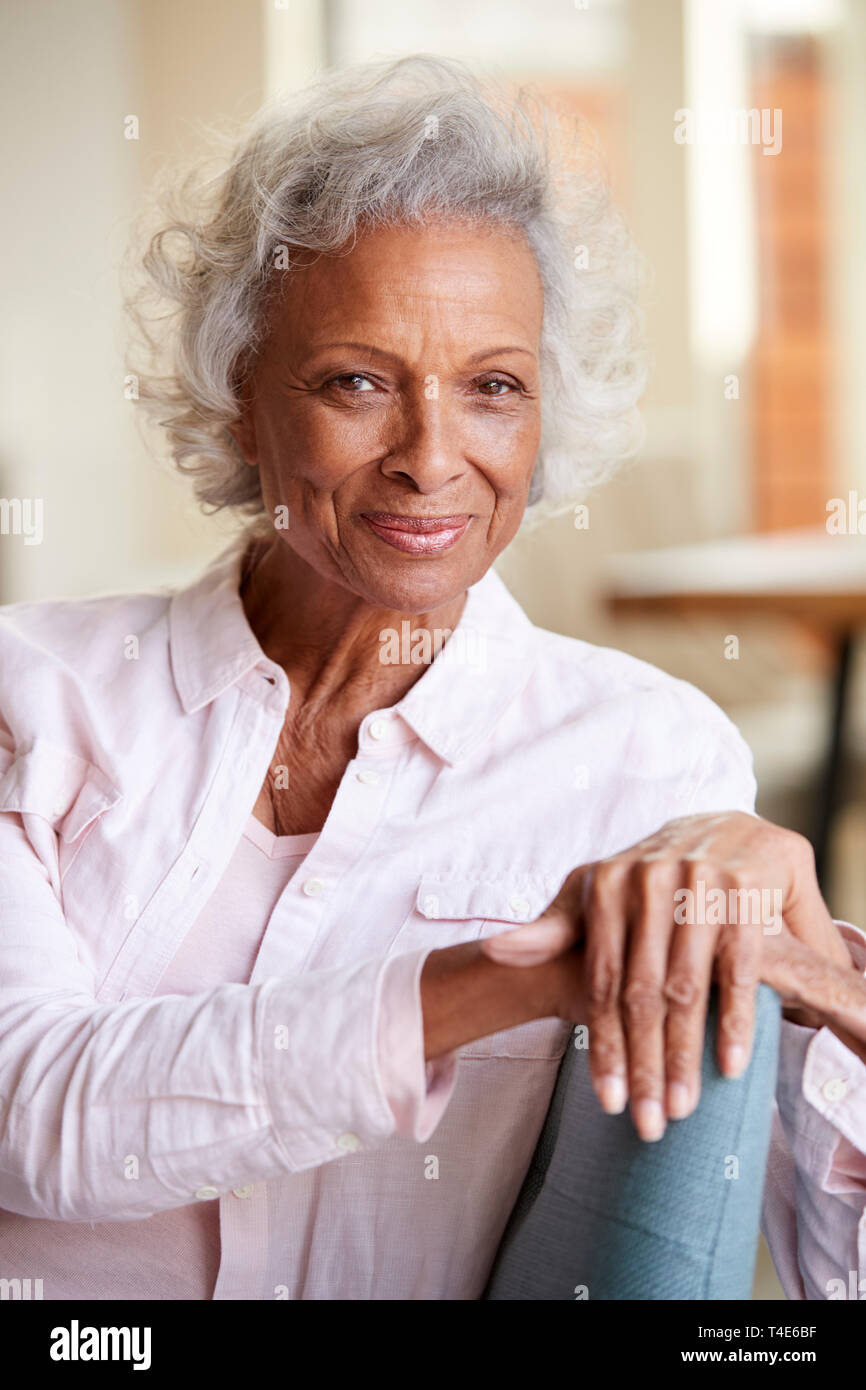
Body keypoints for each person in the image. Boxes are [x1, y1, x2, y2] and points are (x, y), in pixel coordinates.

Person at [0, 54, 863, 1301]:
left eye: (492, 388)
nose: (429, 457)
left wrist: (821, 981)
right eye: (357, 381)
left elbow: (822, 1264)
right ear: (242, 399)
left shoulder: (647, 759)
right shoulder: (34, 694)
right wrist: (511, 977)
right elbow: (31, 1111)